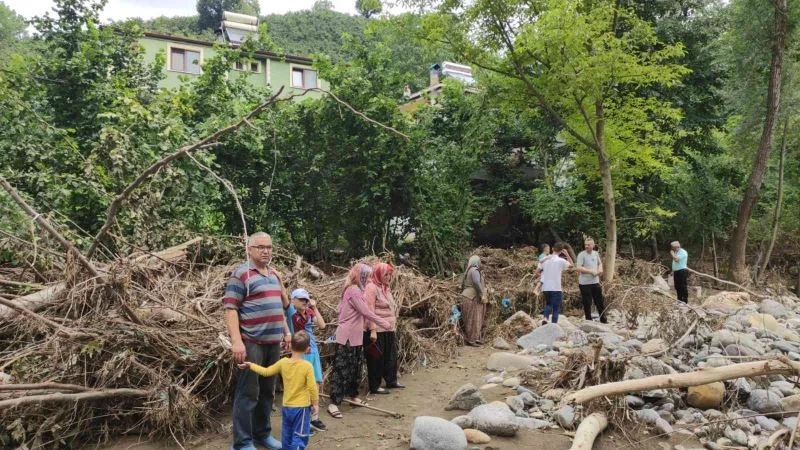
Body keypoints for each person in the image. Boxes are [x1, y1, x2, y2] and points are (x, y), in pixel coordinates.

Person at [223, 232, 292, 450]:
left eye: (269, 247)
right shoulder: (241, 275)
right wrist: (237, 342)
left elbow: (280, 307)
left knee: (267, 392)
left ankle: (262, 434)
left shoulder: (273, 275)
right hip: (251, 343)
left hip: (273, 344)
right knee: (248, 393)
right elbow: (231, 309)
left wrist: (287, 332)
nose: (266, 251)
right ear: (249, 249)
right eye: (260, 247)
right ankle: (242, 442)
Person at [327, 263, 392, 419]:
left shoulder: (357, 290)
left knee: (356, 368)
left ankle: (353, 397)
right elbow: (366, 312)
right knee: (342, 369)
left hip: (355, 337)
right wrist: (384, 323)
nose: (368, 279)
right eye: (366, 276)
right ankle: (334, 403)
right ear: (359, 276)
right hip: (347, 337)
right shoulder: (353, 290)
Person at [238, 331, 320, 450]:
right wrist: (315, 404)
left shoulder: (283, 362)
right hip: (301, 409)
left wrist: (251, 365)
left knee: (286, 435)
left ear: (290, 346)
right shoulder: (307, 366)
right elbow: (312, 387)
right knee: (300, 436)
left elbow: (266, 372)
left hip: (286, 407)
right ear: (307, 349)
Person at [287, 288, 327, 432]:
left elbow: (322, 325)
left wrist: (314, 307)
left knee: (315, 383)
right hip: (300, 352)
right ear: (293, 300)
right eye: (301, 299)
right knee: (302, 385)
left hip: (313, 350)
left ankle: (314, 419)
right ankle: (302, 420)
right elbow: (285, 304)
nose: (305, 302)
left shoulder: (309, 313)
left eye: (306, 299)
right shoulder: (291, 313)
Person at [364, 262, 404, 395]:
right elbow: (370, 310)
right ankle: (375, 386)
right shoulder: (371, 287)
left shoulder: (385, 288)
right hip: (378, 329)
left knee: (390, 356)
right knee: (376, 358)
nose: (388, 277)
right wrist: (373, 330)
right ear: (378, 274)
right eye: (385, 274)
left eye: (389, 274)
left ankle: (391, 381)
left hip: (388, 328)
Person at [536, 242, 573, 325]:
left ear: (552, 249)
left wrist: (544, 276)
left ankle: (545, 318)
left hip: (545, 287)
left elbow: (537, 272)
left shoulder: (544, 259)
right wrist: (567, 254)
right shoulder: (561, 261)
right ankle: (553, 325)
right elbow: (572, 265)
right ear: (561, 251)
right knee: (556, 308)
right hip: (556, 288)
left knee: (548, 304)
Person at [576, 238, 607, 323]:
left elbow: (599, 263)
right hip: (584, 283)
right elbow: (578, 267)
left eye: (588, 245)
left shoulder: (596, 253)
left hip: (595, 282)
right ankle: (588, 319)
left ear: (593, 245)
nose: (586, 246)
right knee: (587, 302)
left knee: (599, 301)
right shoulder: (581, 255)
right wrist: (591, 271)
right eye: (585, 244)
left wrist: (600, 270)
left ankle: (603, 319)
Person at [460, 255, 487, 347]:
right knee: (474, 319)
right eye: (479, 261)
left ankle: (475, 338)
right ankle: (471, 340)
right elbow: (476, 282)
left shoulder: (468, 271)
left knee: (472, 319)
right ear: (476, 262)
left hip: (466, 296)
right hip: (472, 297)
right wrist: (482, 294)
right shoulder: (474, 270)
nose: (480, 262)